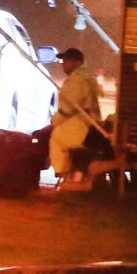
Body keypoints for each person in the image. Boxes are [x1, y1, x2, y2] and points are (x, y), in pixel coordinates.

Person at [48, 47, 101, 179]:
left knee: (57, 137)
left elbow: (68, 107)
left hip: (82, 125)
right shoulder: (86, 76)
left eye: (66, 61)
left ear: (77, 62)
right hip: (90, 123)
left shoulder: (77, 79)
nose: (63, 64)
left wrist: (53, 122)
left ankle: (63, 172)